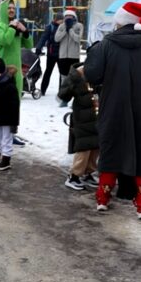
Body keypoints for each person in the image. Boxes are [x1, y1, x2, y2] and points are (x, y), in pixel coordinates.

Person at [84, 1, 141, 220]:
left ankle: (103, 198)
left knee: (111, 148)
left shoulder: (106, 45)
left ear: (119, 21)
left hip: (113, 106)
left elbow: (92, 75)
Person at [0, 0, 33, 147]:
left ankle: (11, 134)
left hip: (16, 70)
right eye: (8, 8)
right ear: (3, 10)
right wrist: (12, 28)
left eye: (12, 8)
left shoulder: (14, 26)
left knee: (15, 103)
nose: (11, 10)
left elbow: (29, 45)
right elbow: (5, 41)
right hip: (1, 70)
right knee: (1, 105)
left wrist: (25, 31)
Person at [58, 63, 99, 191]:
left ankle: (88, 172)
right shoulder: (78, 75)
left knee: (95, 146)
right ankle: (74, 175)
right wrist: (74, 78)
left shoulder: (99, 72)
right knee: (84, 147)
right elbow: (63, 95)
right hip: (82, 118)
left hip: (96, 116)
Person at [0, 58, 20, 171]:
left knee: (6, 139)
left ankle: (6, 159)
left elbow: (15, 105)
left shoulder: (9, 86)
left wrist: (14, 122)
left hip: (7, 117)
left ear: (2, 72)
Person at [55, 9, 83, 100]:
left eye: (70, 16)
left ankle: (75, 96)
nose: (67, 18)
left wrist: (70, 30)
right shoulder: (61, 26)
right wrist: (64, 30)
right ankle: (63, 96)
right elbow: (57, 39)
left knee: (74, 77)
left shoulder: (79, 26)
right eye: (66, 16)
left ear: (74, 17)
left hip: (74, 56)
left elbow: (78, 39)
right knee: (63, 77)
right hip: (63, 56)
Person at [34, 13, 62, 96]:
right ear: (56, 19)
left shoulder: (63, 27)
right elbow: (43, 38)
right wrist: (39, 47)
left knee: (62, 73)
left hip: (61, 54)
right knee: (48, 71)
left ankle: (61, 91)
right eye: (61, 20)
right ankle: (43, 90)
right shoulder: (50, 27)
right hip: (51, 53)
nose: (62, 21)